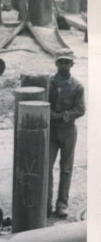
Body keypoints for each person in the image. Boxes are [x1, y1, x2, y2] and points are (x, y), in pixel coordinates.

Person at [48, 53, 85, 219]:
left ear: (72, 65)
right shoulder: (48, 83)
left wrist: (62, 115)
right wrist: (50, 113)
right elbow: (41, 101)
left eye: (67, 63)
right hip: (51, 131)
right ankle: (45, 205)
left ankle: (62, 205)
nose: (64, 66)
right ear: (56, 64)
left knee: (66, 169)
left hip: (68, 131)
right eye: (61, 62)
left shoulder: (77, 86)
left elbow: (80, 109)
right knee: (46, 167)